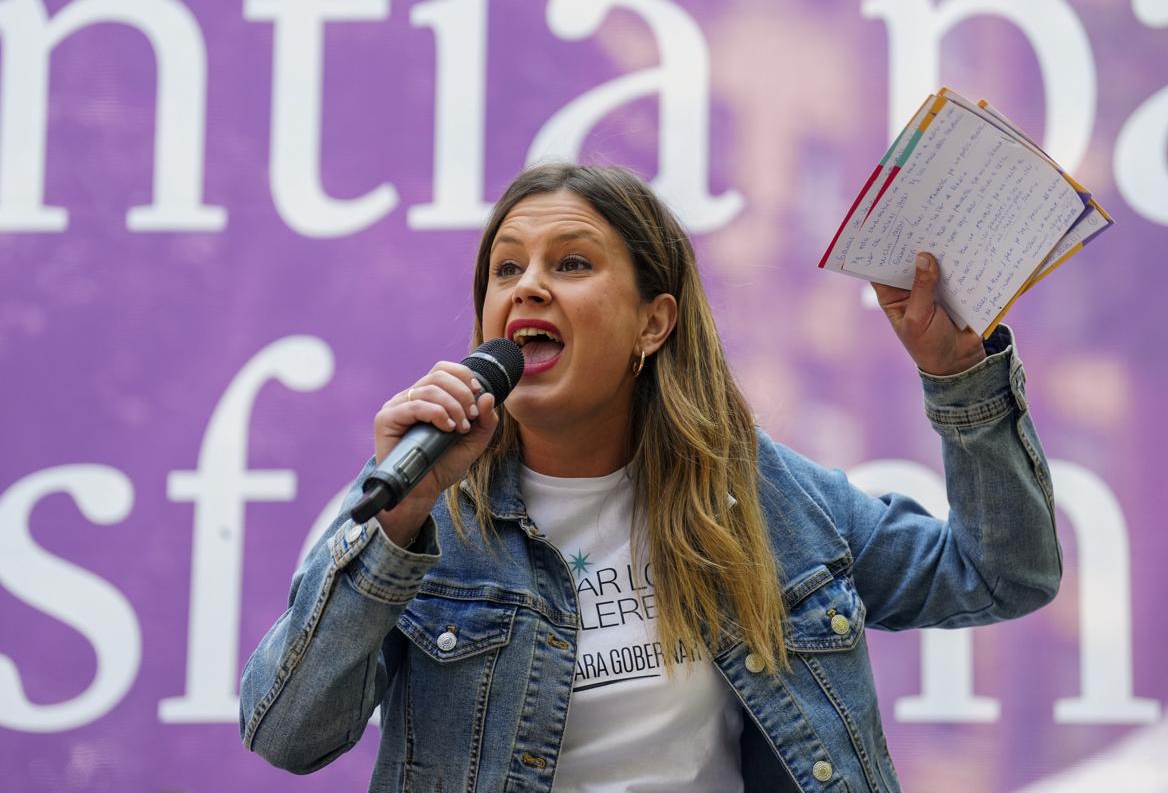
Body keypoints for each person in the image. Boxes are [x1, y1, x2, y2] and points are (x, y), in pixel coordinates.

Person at [239, 163, 1061, 792]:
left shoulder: (768, 500)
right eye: (506, 269)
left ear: (653, 322)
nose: (527, 285)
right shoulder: (418, 509)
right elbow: (287, 734)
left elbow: (1001, 574)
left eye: (569, 264)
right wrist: (397, 522)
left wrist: (961, 380)